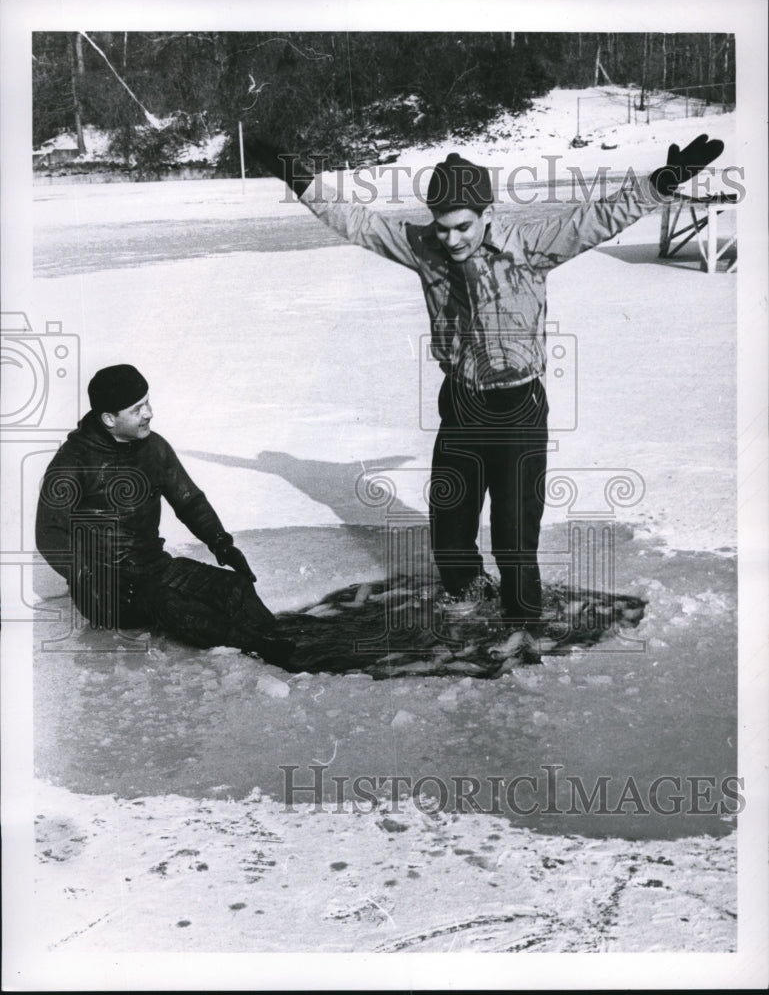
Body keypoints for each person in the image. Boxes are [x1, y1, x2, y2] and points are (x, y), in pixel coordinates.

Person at [243, 131, 723, 660]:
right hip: (463, 401)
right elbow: (357, 221)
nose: (451, 240)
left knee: (515, 532)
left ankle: (522, 623)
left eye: (463, 227)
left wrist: (664, 181)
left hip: (517, 406)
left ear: (487, 214)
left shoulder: (532, 243)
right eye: (443, 228)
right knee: (449, 523)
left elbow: (598, 217)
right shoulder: (421, 245)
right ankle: (464, 601)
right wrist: (298, 177)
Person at [35, 364, 295, 666]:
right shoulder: (72, 462)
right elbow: (49, 533)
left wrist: (220, 542)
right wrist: (88, 575)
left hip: (155, 566)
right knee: (170, 603)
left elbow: (189, 501)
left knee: (234, 587)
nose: (149, 413)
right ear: (109, 418)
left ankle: (283, 640)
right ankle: (262, 648)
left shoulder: (153, 448)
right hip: (106, 589)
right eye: (137, 409)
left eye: (147, 402)